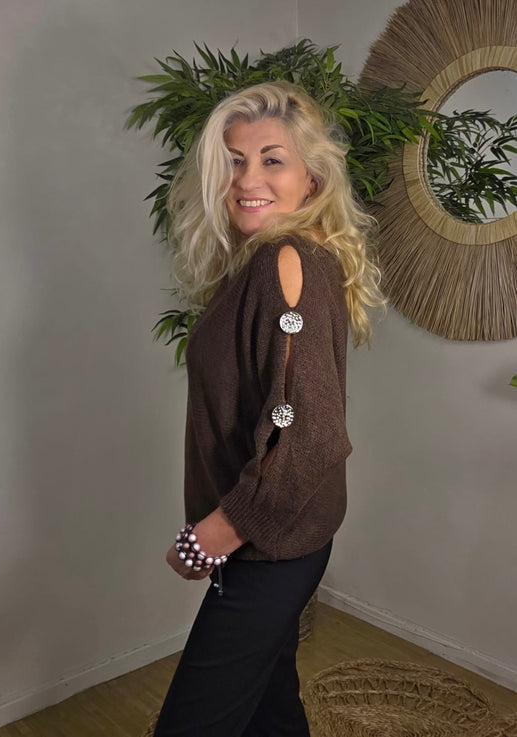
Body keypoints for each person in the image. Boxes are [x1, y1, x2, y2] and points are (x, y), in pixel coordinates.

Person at [151, 81, 384, 737]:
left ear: (311, 178)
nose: (247, 179)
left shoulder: (284, 261)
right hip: (279, 539)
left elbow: (308, 435)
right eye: (233, 160)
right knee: (268, 708)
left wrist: (214, 536)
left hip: (269, 545)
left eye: (272, 159)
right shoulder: (274, 258)